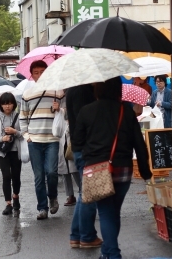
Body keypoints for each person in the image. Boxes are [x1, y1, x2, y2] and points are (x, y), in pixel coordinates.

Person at [72, 77, 152, 259]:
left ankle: (113, 253)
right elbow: (139, 144)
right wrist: (145, 171)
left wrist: (87, 158)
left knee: (107, 213)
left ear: (97, 90)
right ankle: (107, 252)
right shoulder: (126, 111)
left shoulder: (87, 111)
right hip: (123, 170)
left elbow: (77, 143)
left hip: (98, 170)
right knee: (113, 212)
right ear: (118, 89)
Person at [20, 60, 62, 220]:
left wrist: (60, 108)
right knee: (38, 176)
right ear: (32, 75)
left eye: (42, 71)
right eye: (36, 72)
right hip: (34, 141)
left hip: (52, 139)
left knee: (51, 172)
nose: (39, 75)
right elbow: (23, 117)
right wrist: (27, 136)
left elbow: (64, 114)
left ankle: (53, 197)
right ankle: (42, 208)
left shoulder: (58, 92)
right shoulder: (27, 94)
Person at [66, 83, 101, 249]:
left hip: (81, 147)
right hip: (87, 148)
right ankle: (86, 236)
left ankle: (77, 235)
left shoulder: (75, 89)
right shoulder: (82, 90)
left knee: (85, 193)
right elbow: (87, 120)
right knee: (89, 193)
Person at [0, 92, 23, 215]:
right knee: (6, 176)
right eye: (4, 104)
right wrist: (2, 139)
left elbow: (24, 133)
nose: (7, 106)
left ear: (14, 104)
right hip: (2, 153)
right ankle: (8, 203)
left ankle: (16, 196)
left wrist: (15, 132)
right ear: (1, 105)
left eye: (9, 103)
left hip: (16, 151)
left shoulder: (19, 117)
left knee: (16, 176)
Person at [58, 118, 79, 207]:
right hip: (61, 145)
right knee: (64, 172)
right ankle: (70, 195)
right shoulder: (58, 113)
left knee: (75, 171)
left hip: (72, 145)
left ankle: (84, 191)